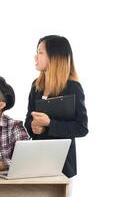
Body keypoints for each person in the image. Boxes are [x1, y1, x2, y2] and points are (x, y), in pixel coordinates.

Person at [24, 35, 89, 179]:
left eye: (40, 53)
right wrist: (34, 127)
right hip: (37, 162)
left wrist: (49, 124)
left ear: (55, 57)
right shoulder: (36, 86)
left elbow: (82, 128)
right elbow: (28, 122)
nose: (36, 57)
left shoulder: (73, 87)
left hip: (63, 166)